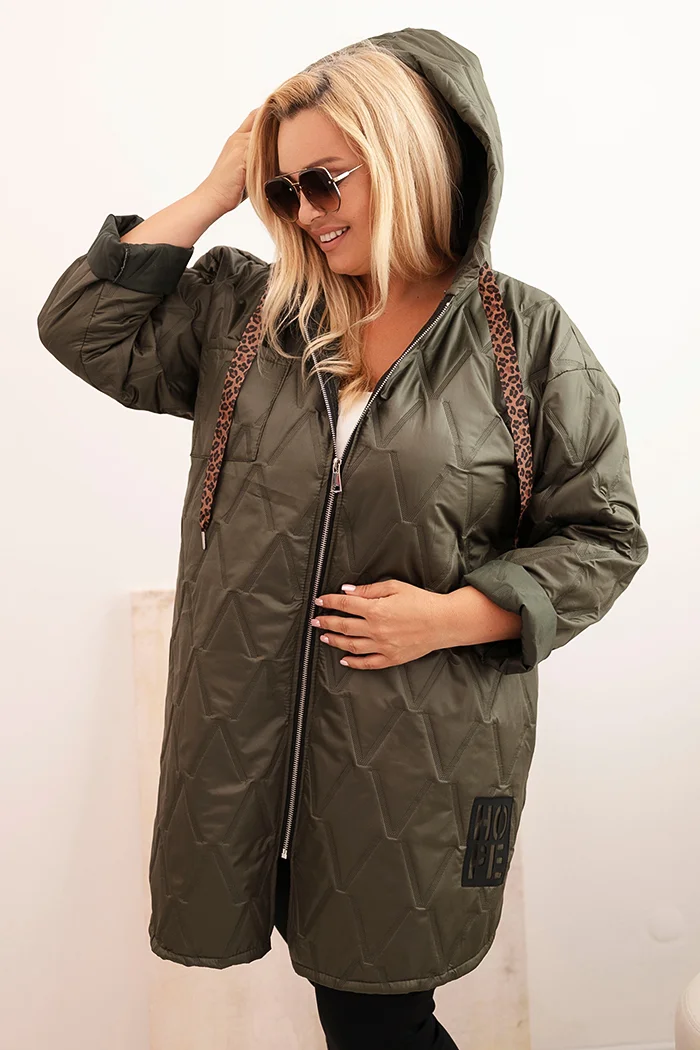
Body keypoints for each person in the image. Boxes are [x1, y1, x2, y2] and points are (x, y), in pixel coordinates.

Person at [37, 26, 649, 1050]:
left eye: (325, 181)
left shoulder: (524, 340)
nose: (305, 213)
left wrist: (453, 616)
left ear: (407, 157)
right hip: (240, 745)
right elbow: (83, 327)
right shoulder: (253, 313)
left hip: (416, 756)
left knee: (379, 1016)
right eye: (283, 192)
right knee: (357, 1017)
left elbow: (603, 535)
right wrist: (216, 191)